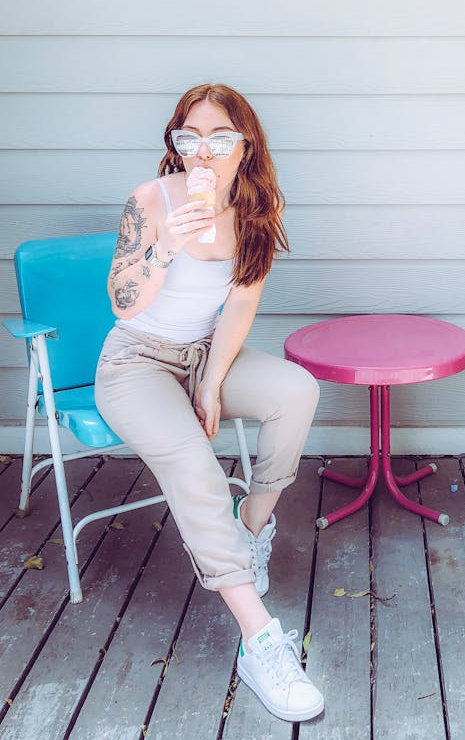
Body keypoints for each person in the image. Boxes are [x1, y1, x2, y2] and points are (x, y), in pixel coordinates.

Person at [94, 83, 324, 723]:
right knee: (196, 465)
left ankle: (250, 527)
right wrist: (163, 249)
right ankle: (261, 640)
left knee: (295, 390)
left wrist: (211, 380)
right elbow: (122, 302)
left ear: (244, 146)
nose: (202, 151)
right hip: (134, 362)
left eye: (219, 137)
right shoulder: (151, 200)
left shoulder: (256, 205)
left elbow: (242, 303)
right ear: (174, 143)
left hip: (199, 352)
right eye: (188, 137)